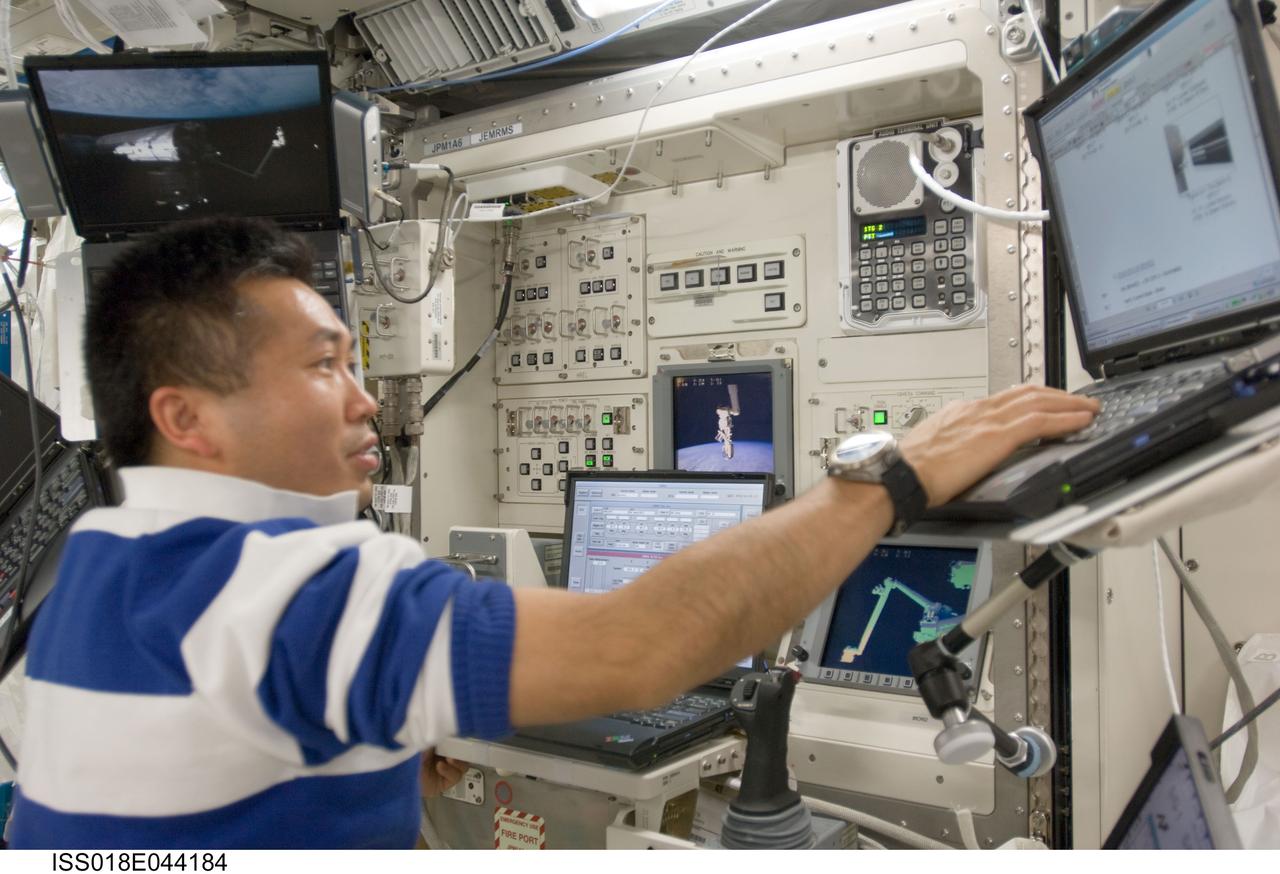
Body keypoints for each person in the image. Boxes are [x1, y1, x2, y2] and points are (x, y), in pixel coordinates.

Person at [8, 217, 1098, 848]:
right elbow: (642, 647)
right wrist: (889, 478)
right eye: (323, 364)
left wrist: (367, 741)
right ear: (184, 416)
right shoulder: (289, 587)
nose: (361, 398)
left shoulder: (87, 569)